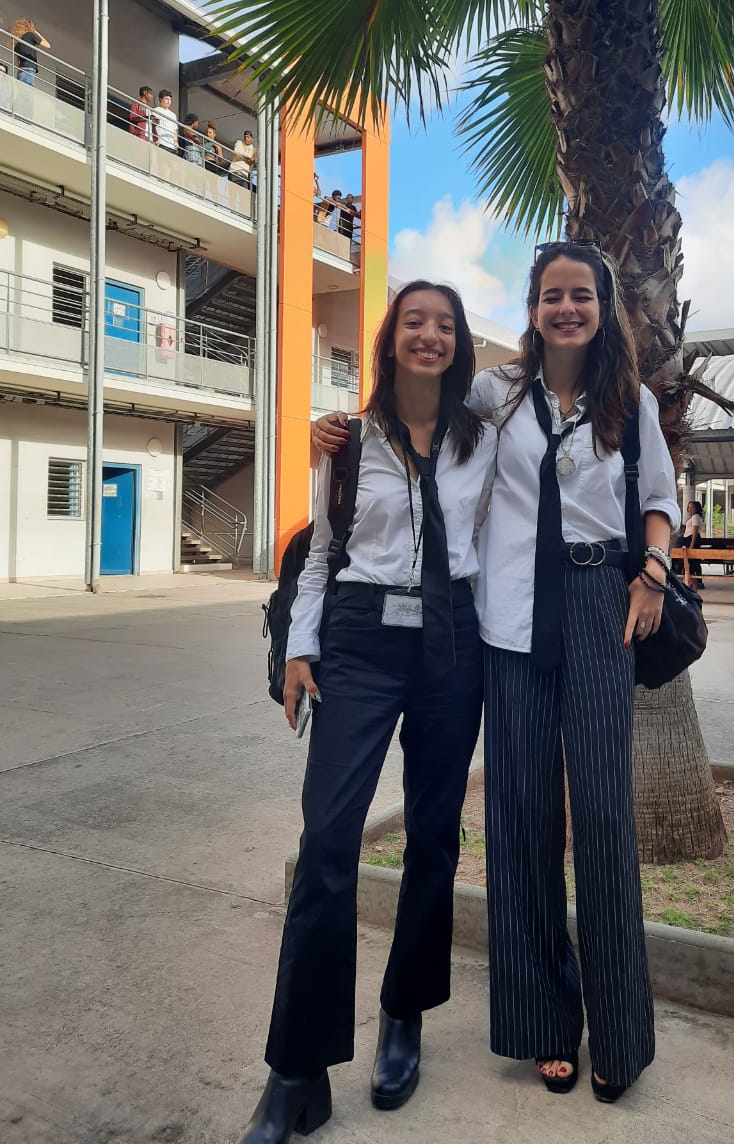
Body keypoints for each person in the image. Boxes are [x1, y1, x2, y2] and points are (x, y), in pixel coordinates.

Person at [314, 241, 680, 1104]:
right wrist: (339, 429)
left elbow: (661, 498)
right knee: (519, 824)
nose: (566, 308)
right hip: (508, 621)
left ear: (603, 306)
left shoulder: (631, 401)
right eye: (552, 295)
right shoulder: (495, 392)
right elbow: (419, 407)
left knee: (603, 819)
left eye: (581, 295)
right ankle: (543, 1021)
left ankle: (619, 1031)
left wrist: (655, 572)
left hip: (602, 609)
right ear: (532, 306)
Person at [236, 281, 497, 1144]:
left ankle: (404, 1014)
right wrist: (300, 648)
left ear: (460, 345)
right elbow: (320, 553)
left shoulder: (483, 437)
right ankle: (296, 1071)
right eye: (414, 321)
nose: (429, 335)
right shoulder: (345, 441)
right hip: (359, 637)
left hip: (452, 638)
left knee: (434, 834)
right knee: (327, 839)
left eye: (445, 325)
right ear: (390, 340)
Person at [674, 500, 704, 589]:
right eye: (689, 507)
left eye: (692, 507)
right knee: (688, 561)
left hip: (691, 539)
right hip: (687, 539)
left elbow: (695, 532)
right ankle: (693, 580)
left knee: (692, 561)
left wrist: (691, 545)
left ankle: (697, 581)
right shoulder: (692, 518)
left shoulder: (696, 517)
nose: (690, 509)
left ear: (696, 508)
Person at [12, 18, 50, 85]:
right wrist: (37, 33)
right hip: (29, 69)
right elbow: (47, 45)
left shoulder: (17, 44)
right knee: (27, 90)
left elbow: (16, 63)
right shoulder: (30, 35)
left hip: (21, 71)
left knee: (21, 90)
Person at [154, 89, 178, 153]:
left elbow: (174, 130)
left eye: (170, 99)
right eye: (166, 99)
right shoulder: (156, 110)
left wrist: (175, 142)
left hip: (172, 146)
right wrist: (155, 139)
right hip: (161, 142)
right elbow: (152, 126)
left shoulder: (173, 115)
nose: (169, 101)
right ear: (161, 99)